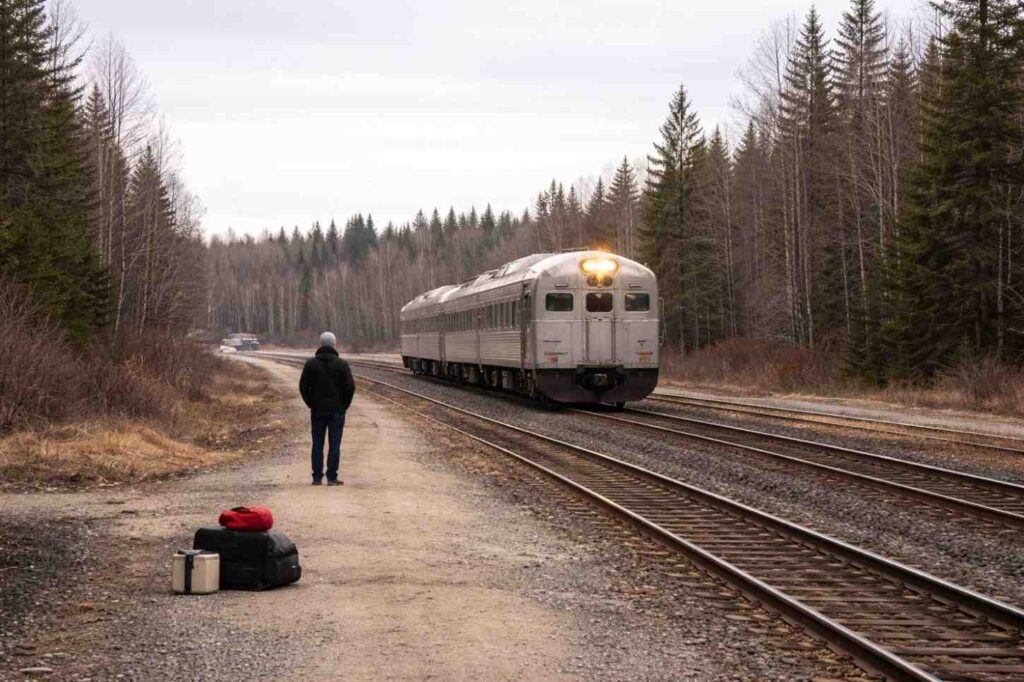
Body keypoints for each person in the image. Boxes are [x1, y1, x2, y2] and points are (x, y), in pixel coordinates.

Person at [299, 332, 355, 486]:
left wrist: (311, 403)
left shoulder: (311, 364)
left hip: (318, 410)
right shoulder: (341, 364)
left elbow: (303, 387)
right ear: (334, 344)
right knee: (334, 444)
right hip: (337, 410)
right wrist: (344, 405)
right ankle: (332, 477)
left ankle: (317, 477)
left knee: (317, 443)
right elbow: (350, 387)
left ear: (320, 344)